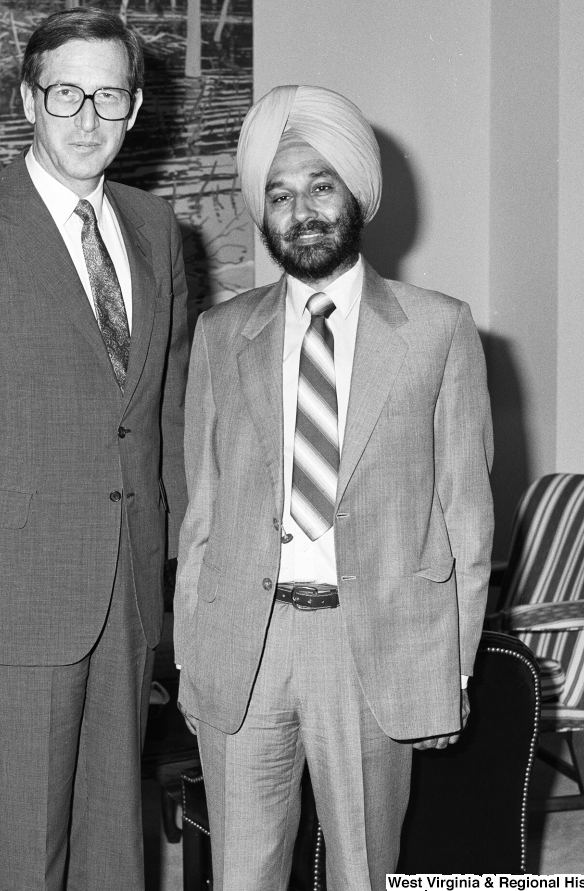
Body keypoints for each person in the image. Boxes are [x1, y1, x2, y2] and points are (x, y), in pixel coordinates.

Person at [0, 8, 188, 891]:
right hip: (16, 599)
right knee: (25, 848)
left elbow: (162, 416)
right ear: (30, 99)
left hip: (128, 591)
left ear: (135, 110)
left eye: (109, 95)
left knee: (115, 840)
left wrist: (183, 568)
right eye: (66, 93)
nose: (88, 117)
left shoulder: (156, 228)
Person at [173, 84, 494, 891]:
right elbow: (200, 511)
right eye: (277, 194)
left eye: (321, 186)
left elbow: (466, 513)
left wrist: (446, 670)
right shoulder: (222, 332)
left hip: (370, 643)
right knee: (239, 874)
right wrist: (190, 658)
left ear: (356, 193)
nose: (301, 210)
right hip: (243, 641)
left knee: (363, 871)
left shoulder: (437, 328)